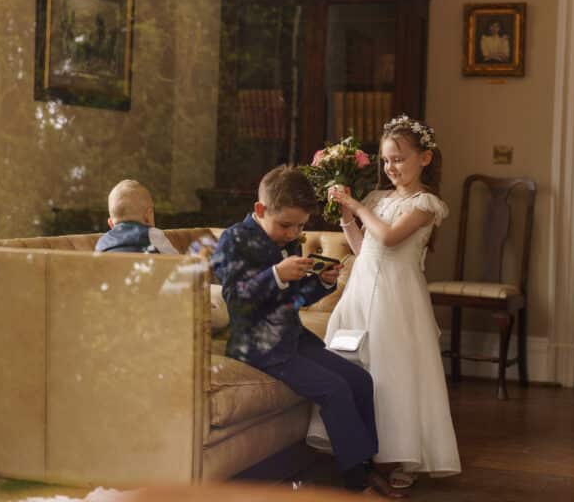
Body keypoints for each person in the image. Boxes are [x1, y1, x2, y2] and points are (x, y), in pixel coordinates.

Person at [211, 166, 398, 497]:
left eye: (299, 226)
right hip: (258, 345)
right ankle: (357, 485)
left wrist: (319, 284)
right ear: (260, 210)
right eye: (285, 225)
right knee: (335, 389)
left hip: (293, 338)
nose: (292, 233)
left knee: (360, 380)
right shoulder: (233, 240)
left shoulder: (290, 241)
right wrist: (276, 275)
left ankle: (368, 466)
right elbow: (236, 299)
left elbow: (291, 301)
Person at [316, 115, 461, 489]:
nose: (390, 167)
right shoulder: (377, 198)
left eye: (398, 158)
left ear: (424, 158)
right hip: (363, 289)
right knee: (358, 363)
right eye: (385, 160)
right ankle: (361, 447)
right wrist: (348, 216)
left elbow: (392, 238)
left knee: (396, 371)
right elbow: (365, 249)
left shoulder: (426, 203)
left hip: (398, 296)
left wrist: (358, 207)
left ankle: (405, 457)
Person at [95, 179, 229, 331]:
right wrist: (198, 297)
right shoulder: (152, 234)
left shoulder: (102, 243)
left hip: (117, 311)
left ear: (111, 223)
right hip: (157, 311)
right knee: (222, 305)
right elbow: (181, 266)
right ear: (149, 215)